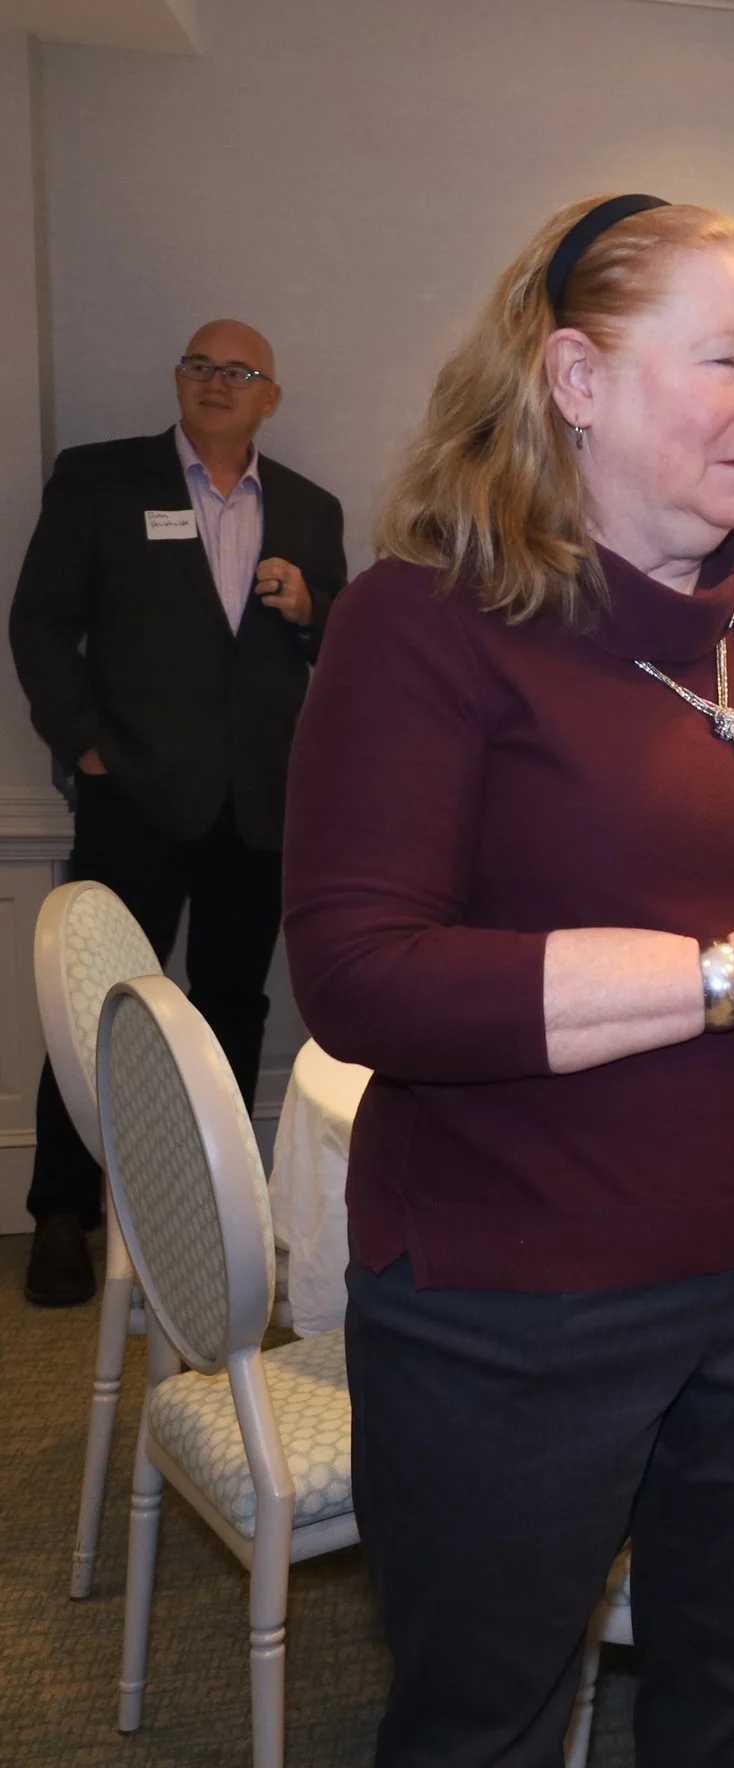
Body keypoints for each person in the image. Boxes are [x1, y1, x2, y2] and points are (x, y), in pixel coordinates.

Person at [283, 194, 734, 1765]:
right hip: (519, 1297)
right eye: (725, 358)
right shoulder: (422, 621)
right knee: (490, 1722)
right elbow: (363, 979)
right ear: (576, 381)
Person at [9, 319, 344, 1306]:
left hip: (257, 809)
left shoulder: (312, 511)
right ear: (179, 379)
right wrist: (80, 743)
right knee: (101, 1007)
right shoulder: (101, 482)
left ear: (269, 395)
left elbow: (346, 632)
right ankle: (61, 1211)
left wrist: (307, 608)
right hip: (137, 798)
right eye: (200, 365)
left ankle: (208, 1200)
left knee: (229, 1007)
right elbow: (39, 619)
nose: (216, 381)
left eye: (239, 371)